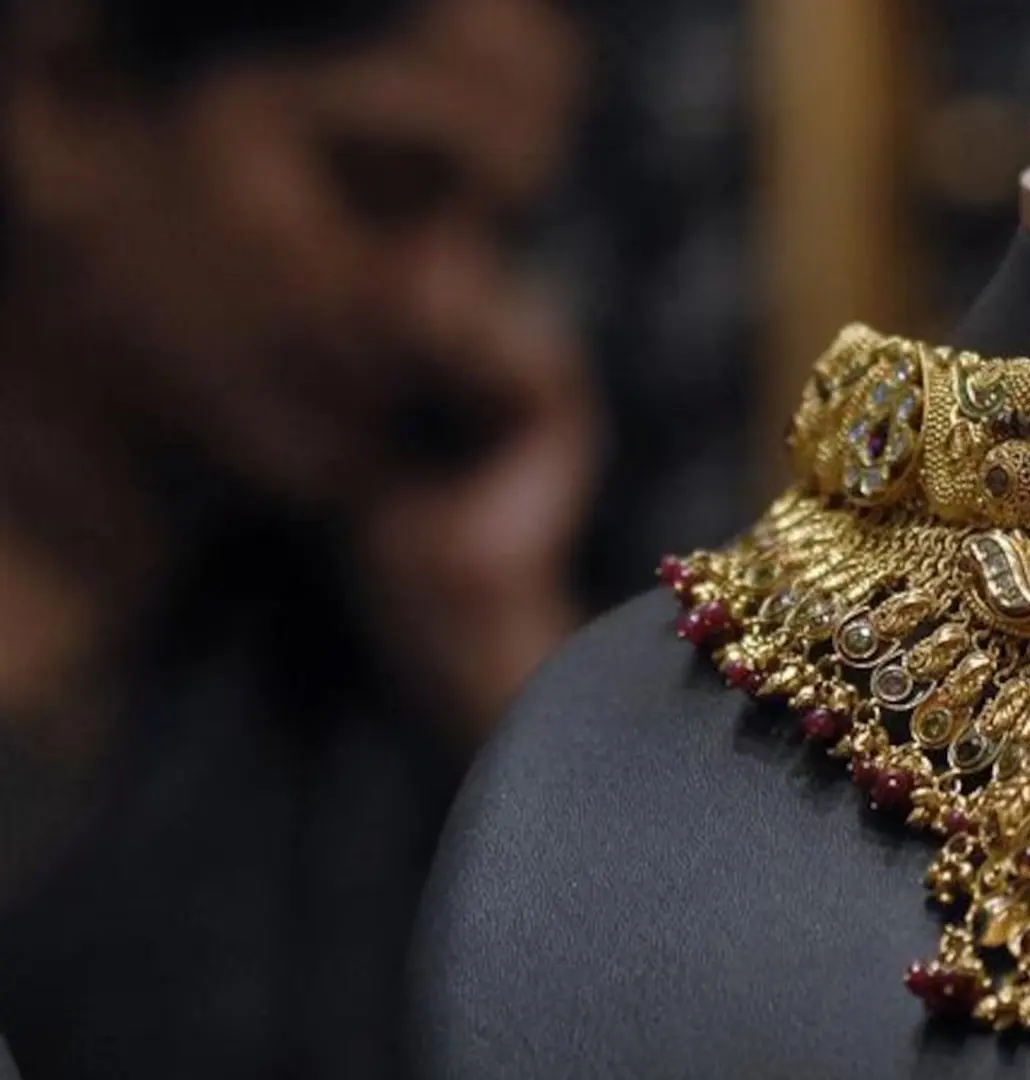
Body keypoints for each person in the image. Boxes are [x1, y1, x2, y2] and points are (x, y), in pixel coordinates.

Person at [0, 1, 596, 1076]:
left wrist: (489, 635)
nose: (448, 311)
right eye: (379, 183)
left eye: (499, 233)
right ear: (69, 106)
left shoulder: (345, 683)